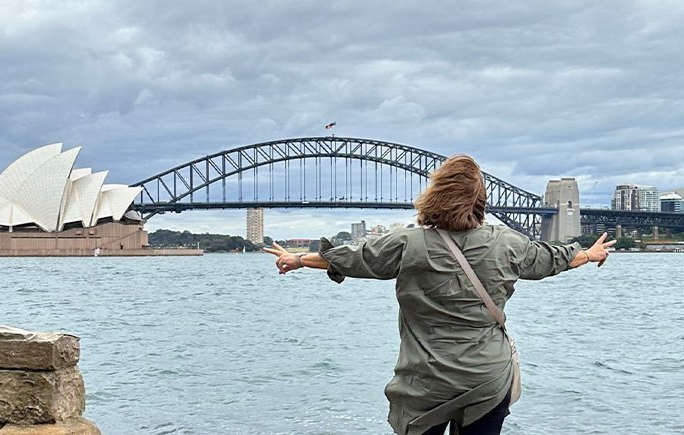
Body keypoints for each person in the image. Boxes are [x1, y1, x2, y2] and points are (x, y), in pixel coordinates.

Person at [263, 155, 615, 435]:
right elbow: (550, 259)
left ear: (435, 195)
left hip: (425, 384)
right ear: (481, 200)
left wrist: (296, 260)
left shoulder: (408, 243)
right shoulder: (507, 243)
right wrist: (589, 254)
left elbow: (352, 258)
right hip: (487, 379)